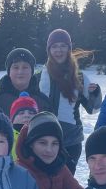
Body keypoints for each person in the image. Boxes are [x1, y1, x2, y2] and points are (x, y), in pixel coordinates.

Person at [39, 29, 102, 174]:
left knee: (65, 183)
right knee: (42, 180)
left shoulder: (79, 77)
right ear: (49, 50)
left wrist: (95, 94)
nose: (59, 50)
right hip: (43, 139)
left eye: (63, 46)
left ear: (69, 48)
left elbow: (93, 109)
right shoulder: (39, 76)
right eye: (54, 46)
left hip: (70, 141)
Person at [0, 48, 51, 114]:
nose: (20, 71)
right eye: (16, 67)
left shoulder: (43, 101)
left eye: (25, 67)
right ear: (9, 72)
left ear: (31, 71)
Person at [9, 92, 38, 162]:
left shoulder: (41, 137)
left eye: (31, 113)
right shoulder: (7, 139)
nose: (26, 115)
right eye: (21, 113)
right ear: (13, 119)